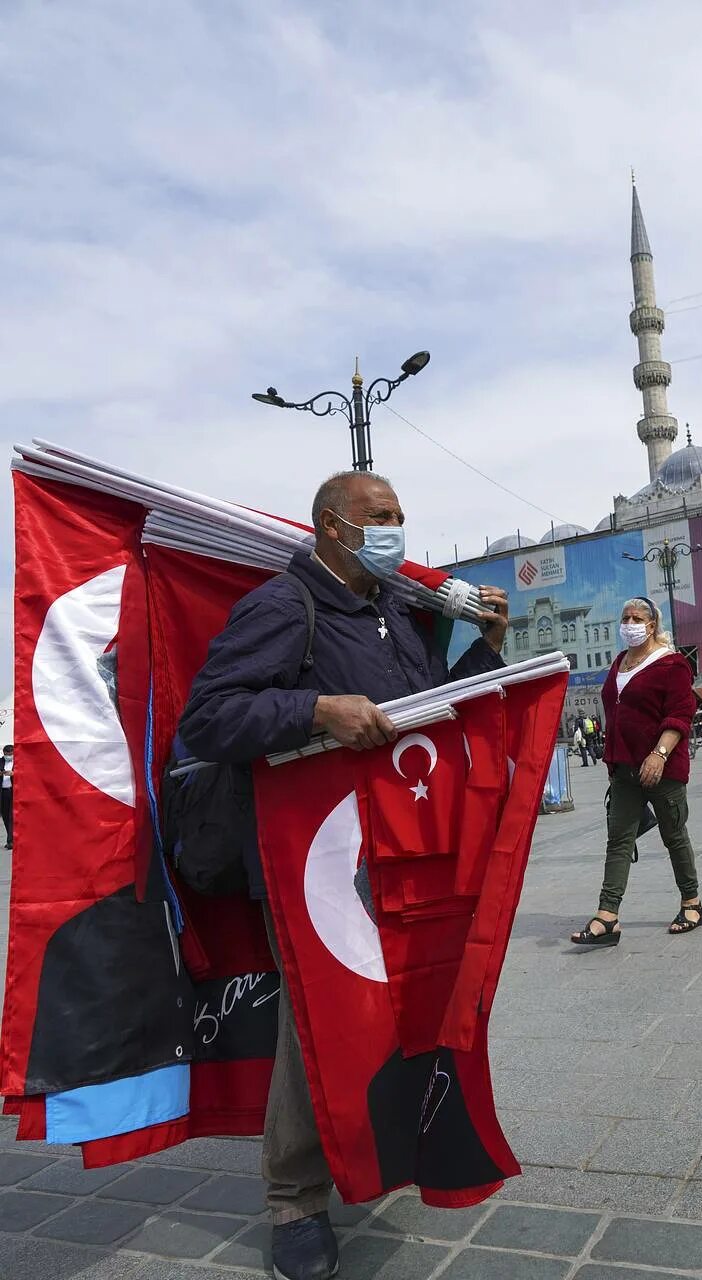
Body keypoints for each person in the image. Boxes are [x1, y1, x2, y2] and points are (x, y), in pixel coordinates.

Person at [179, 471, 509, 1280]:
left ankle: (385, 1142)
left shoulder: (398, 611)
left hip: (404, 848)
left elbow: (428, 706)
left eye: (401, 513)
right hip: (312, 867)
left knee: (404, 1008)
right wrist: (317, 710)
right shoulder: (284, 607)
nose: (397, 528)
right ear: (332, 526)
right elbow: (210, 718)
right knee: (314, 1025)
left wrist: (486, 654)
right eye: (380, 516)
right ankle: (294, 1200)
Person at [571, 596, 702, 945]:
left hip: (662, 767)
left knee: (674, 836)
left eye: (637, 618)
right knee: (618, 840)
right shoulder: (619, 662)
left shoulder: (672, 664)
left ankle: (692, 903)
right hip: (625, 770)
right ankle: (607, 915)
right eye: (625, 617)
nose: (630, 624)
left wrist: (659, 754)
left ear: (652, 624)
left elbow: (680, 714)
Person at [1, 744, 12, 849]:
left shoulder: (18, 762)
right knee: (5, 816)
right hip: (3, 792)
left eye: (9, 754)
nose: (7, 756)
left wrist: (14, 773)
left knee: (11, 816)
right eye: (5, 754)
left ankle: (11, 841)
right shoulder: (1, 761)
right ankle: (11, 837)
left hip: (13, 791)